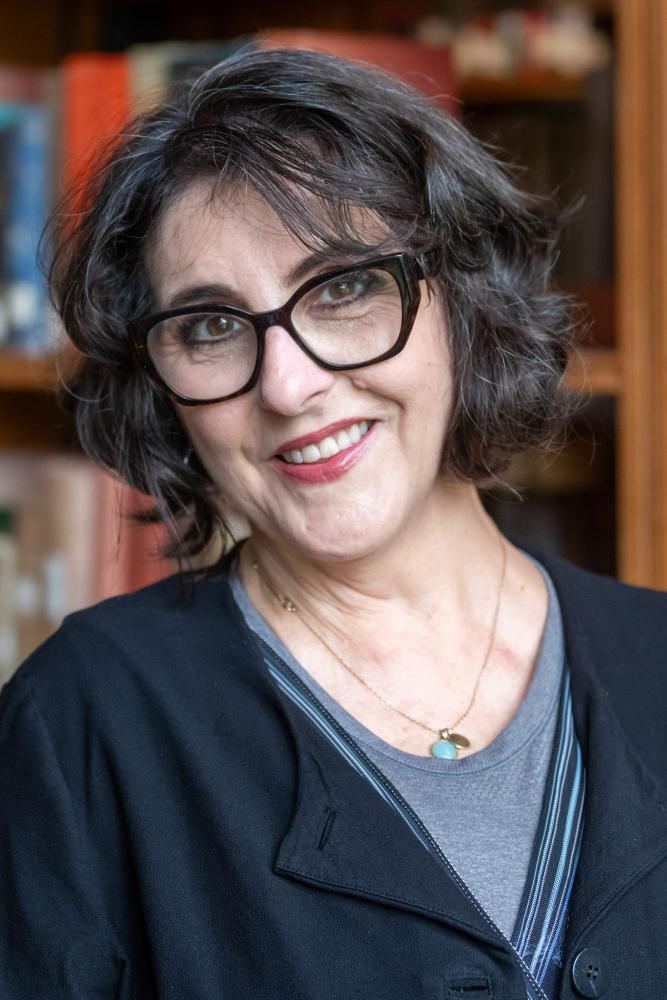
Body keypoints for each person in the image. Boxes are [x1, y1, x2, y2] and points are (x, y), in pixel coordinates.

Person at [1, 46, 666, 1000]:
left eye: (343, 287)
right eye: (210, 326)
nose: (288, 385)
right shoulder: (84, 723)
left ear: (462, 301)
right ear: (161, 389)